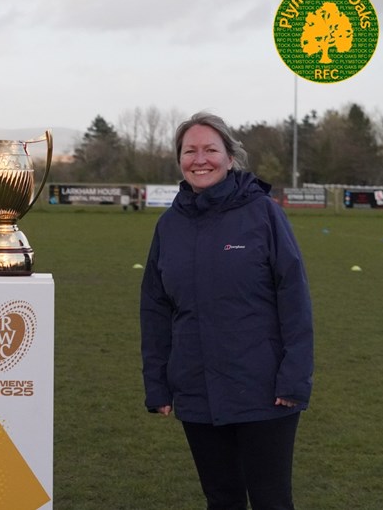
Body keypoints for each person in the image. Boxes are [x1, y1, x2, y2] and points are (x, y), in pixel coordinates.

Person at [140, 112, 313, 510]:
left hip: (264, 392)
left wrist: (294, 379)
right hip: (197, 390)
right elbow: (155, 308)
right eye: (190, 151)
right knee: (221, 500)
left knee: (271, 501)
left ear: (230, 157)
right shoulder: (169, 225)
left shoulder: (264, 214)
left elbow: (295, 300)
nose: (200, 159)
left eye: (210, 150)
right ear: (179, 160)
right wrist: (157, 384)